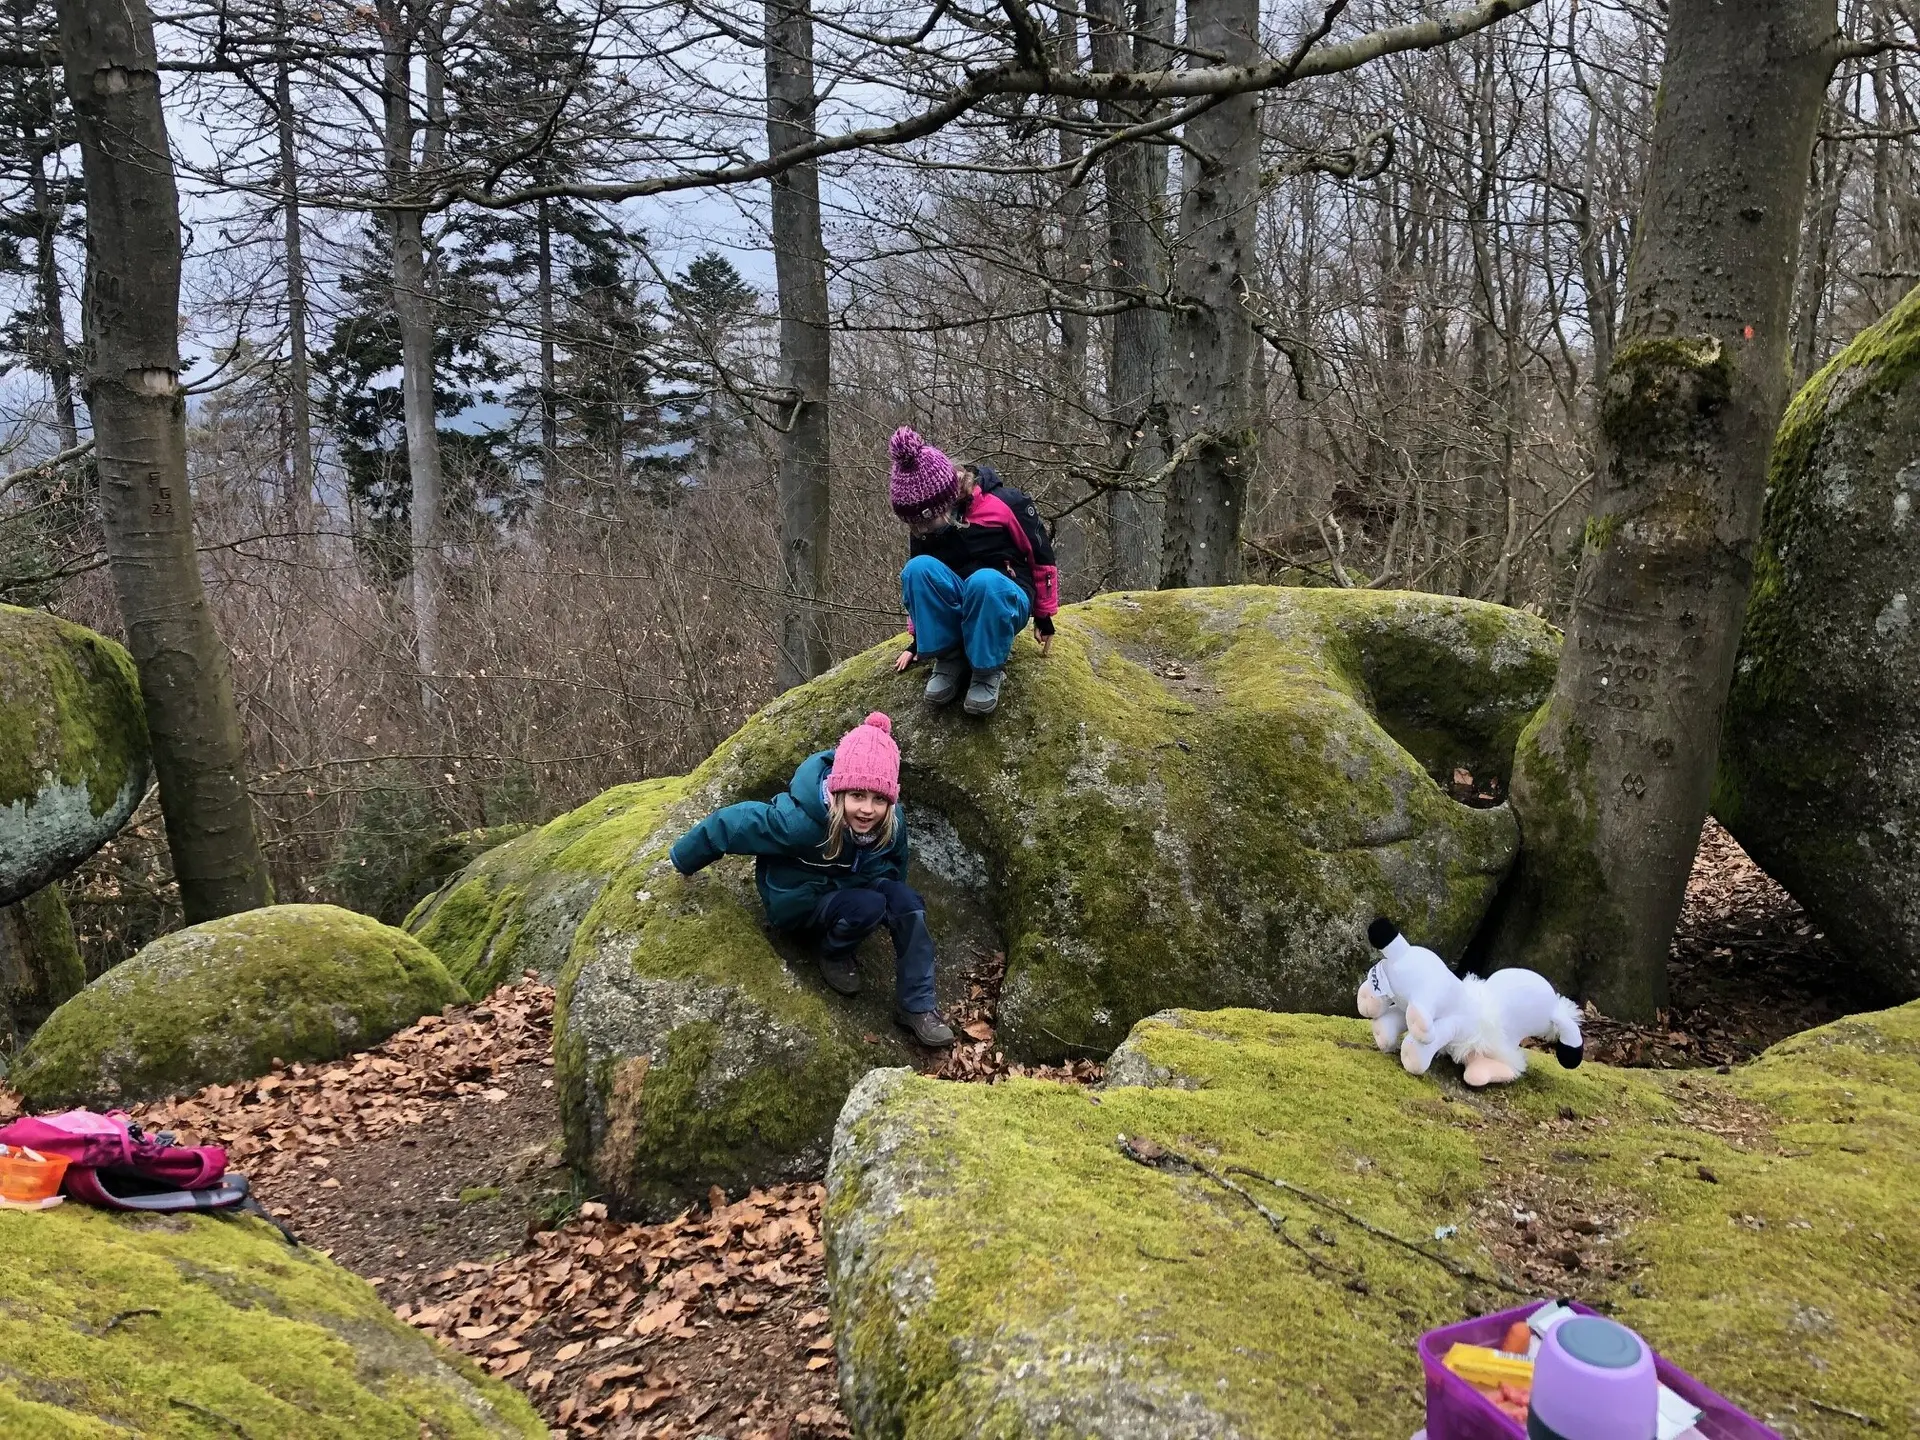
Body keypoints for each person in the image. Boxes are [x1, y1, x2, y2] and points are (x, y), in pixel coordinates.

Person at [666, 712, 954, 1046]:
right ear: (839, 791)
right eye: (857, 796)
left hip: (855, 889)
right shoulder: (799, 822)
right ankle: (833, 953)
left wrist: (896, 899)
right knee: (868, 905)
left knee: (908, 904)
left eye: (879, 800)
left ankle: (917, 1006)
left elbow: (896, 862)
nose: (867, 809)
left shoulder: (892, 824)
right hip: (804, 901)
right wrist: (684, 858)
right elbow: (732, 823)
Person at [886, 427, 1059, 716]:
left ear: (946, 498)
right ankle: (949, 656)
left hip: (1004, 594)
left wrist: (1044, 616)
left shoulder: (1006, 504)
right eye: (916, 527)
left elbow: (1041, 557)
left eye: (927, 524)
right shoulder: (923, 522)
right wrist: (917, 643)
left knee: (984, 582)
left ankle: (986, 668)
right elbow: (922, 585)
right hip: (961, 599)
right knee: (916, 569)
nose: (922, 532)